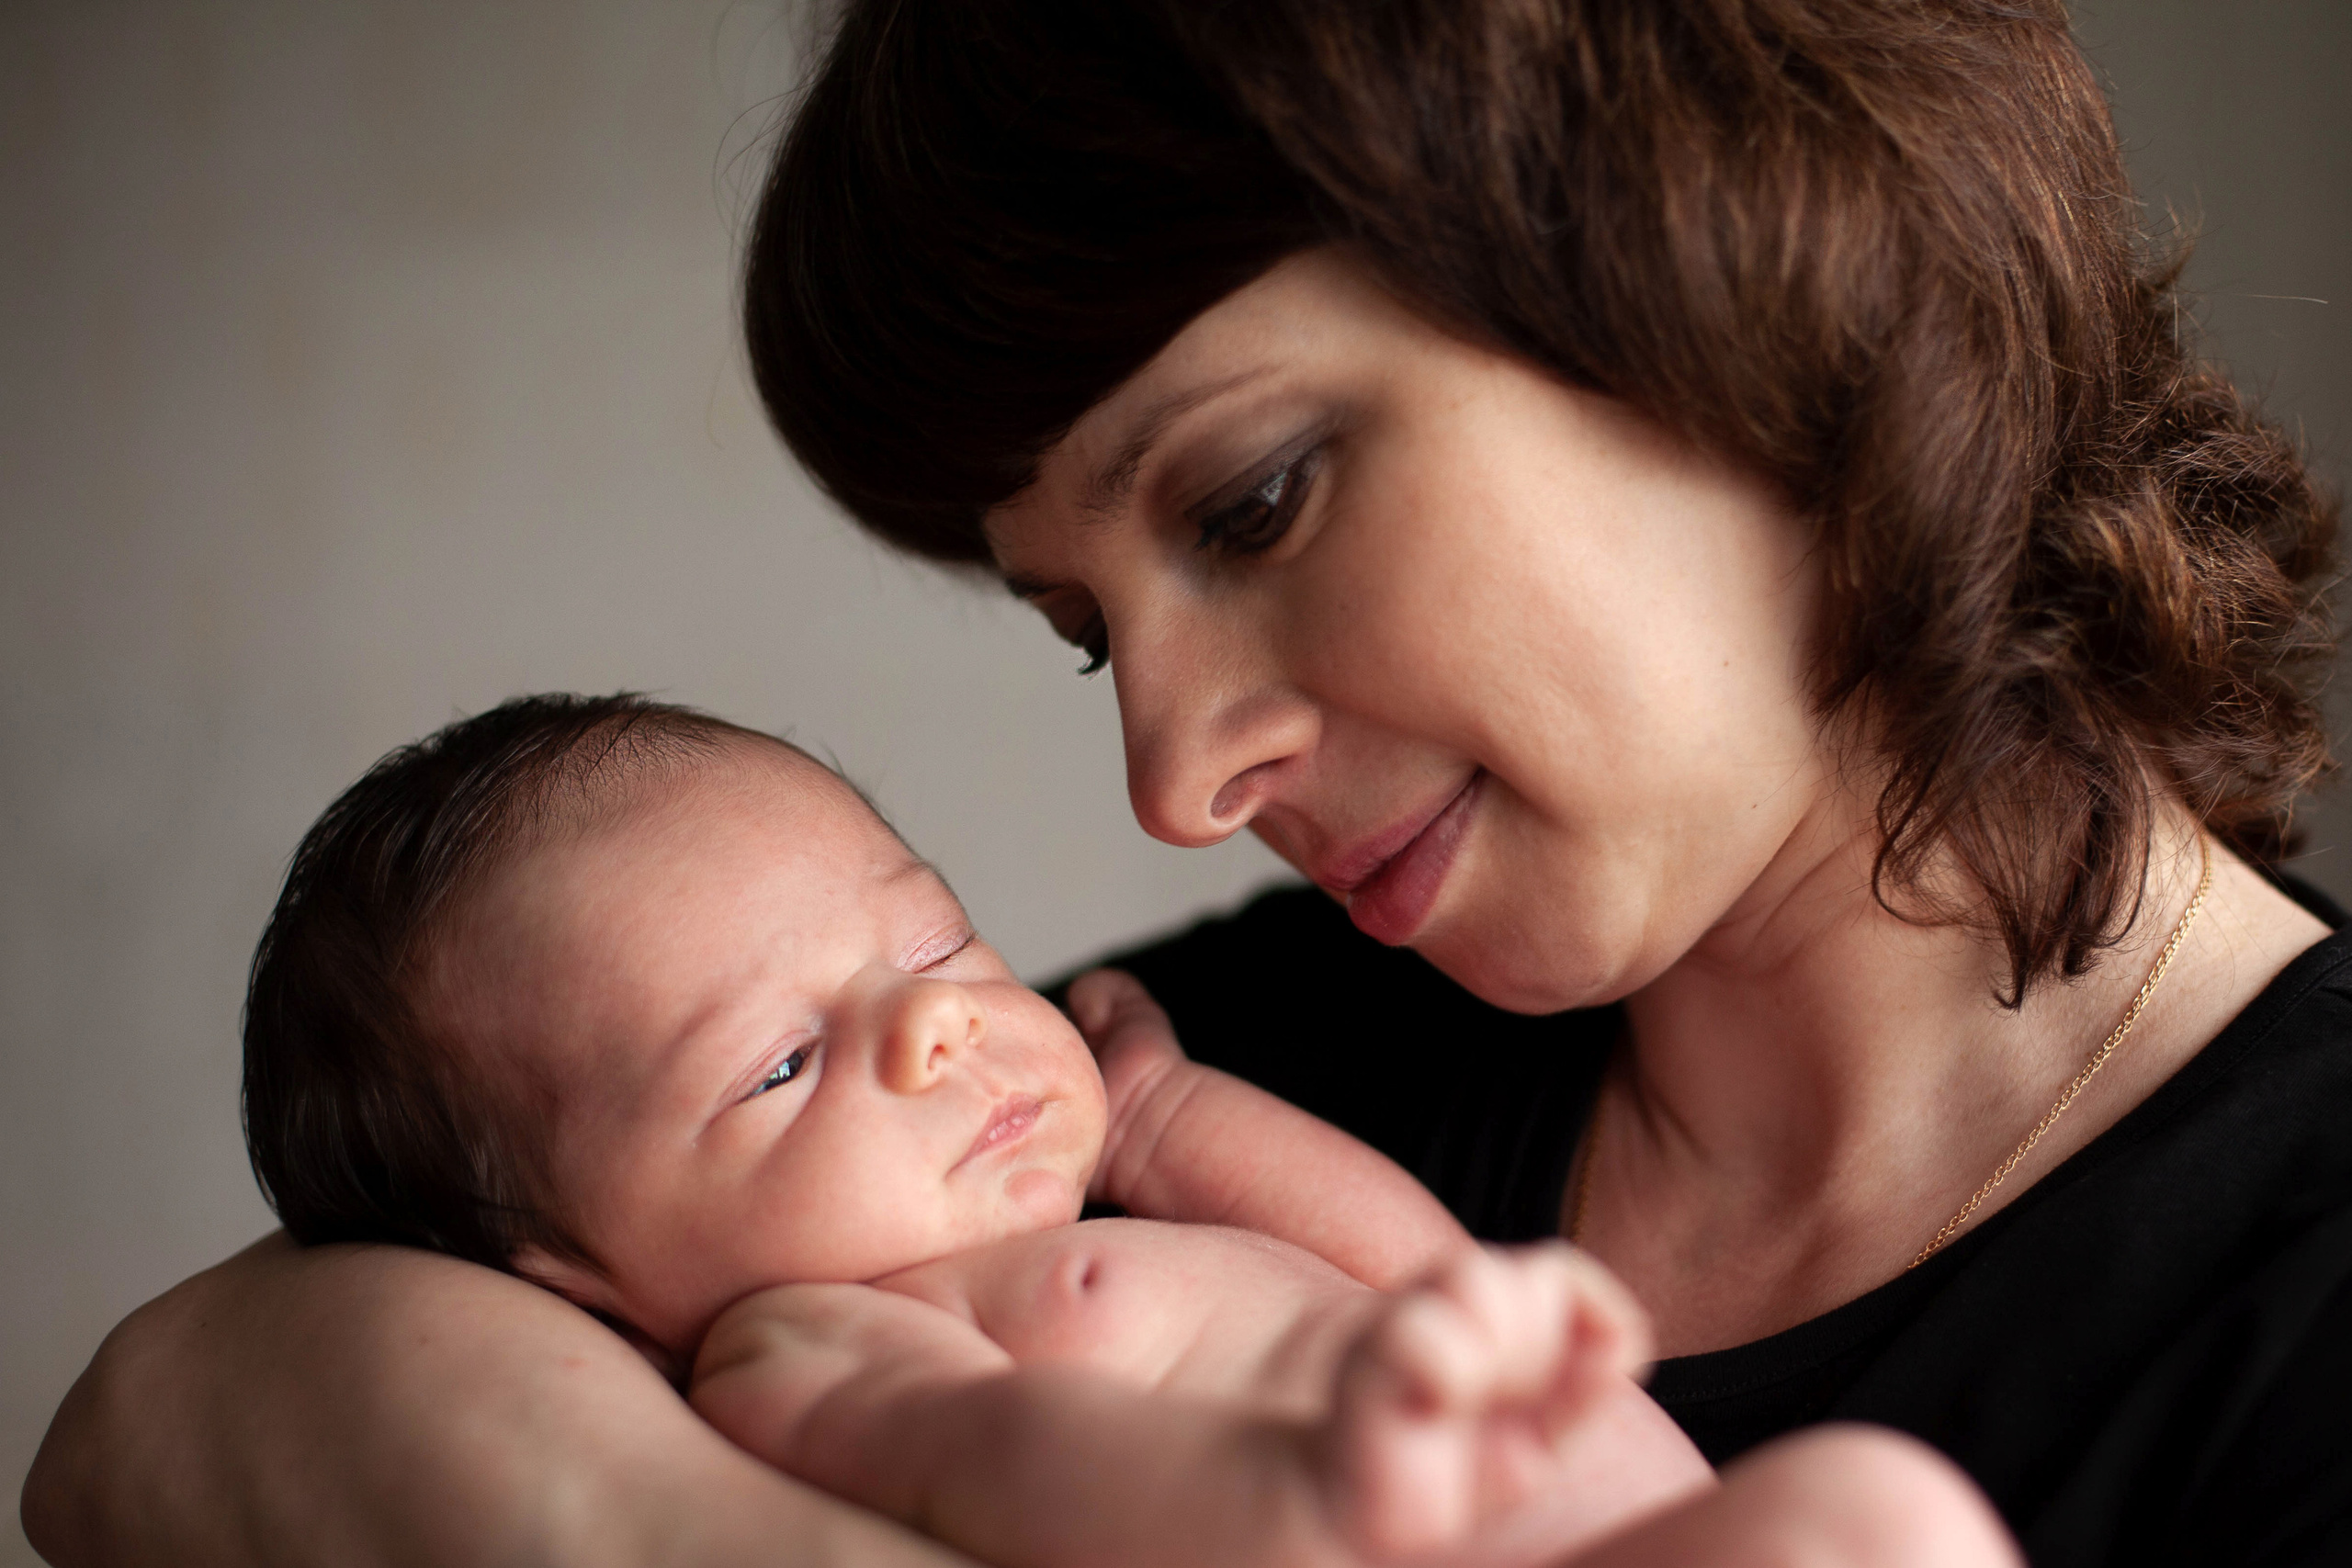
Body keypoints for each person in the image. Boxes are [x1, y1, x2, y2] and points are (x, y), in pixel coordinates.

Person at [24, 2, 2350, 1564]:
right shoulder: (1195, 1081)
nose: (1170, 775)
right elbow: (157, 1412)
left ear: (1744, 291)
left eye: (1249, 503)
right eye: (1083, 636)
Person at [235, 690, 2014, 1568]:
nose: (933, 1020)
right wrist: (1287, 1495)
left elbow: (1414, 1264)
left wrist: (1168, 1110)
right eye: (779, 1064)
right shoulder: (801, 1344)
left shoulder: (1116, 1161)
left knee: (1882, 1519)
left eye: (932, 941)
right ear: (587, 1281)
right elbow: (995, 1459)